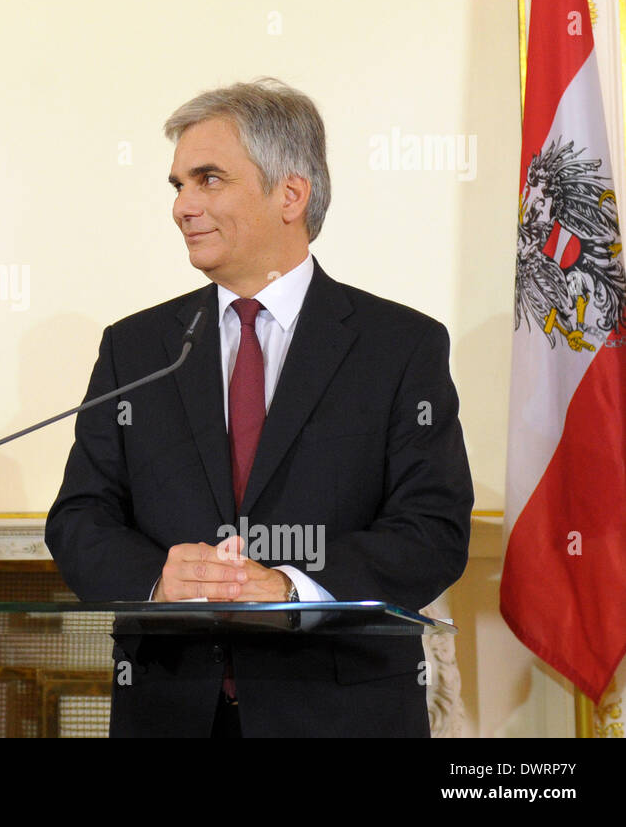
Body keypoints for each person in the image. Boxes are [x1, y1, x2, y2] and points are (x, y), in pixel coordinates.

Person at [45, 78, 473, 737]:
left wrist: (291, 587)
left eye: (208, 179)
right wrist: (158, 579)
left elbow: (431, 533)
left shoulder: (399, 347)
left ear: (290, 193)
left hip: (340, 715)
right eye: (177, 184)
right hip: (169, 713)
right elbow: (78, 518)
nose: (183, 205)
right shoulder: (135, 348)